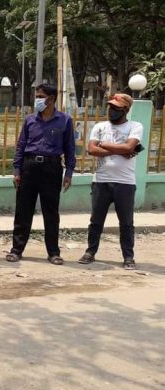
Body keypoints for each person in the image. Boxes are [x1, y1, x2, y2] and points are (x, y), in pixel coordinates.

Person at [6, 83, 76, 265]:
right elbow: (21, 146)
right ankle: (16, 250)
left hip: (52, 168)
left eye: (40, 96)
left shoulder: (65, 120)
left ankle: (53, 252)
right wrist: (17, 170)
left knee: (51, 211)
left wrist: (69, 172)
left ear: (51, 99)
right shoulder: (30, 120)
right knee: (23, 210)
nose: (36, 99)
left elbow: (70, 148)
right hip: (29, 167)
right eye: (36, 96)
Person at [78, 93, 142, 270]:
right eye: (110, 107)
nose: (111, 110)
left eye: (116, 108)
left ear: (125, 110)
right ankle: (90, 252)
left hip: (125, 182)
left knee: (126, 223)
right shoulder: (100, 127)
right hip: (101, 180)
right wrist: (120, 150)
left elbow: (130, 147)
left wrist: (104, 145)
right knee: (96, 221)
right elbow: (92, 149)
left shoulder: (135, 126)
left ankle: (128, 257)